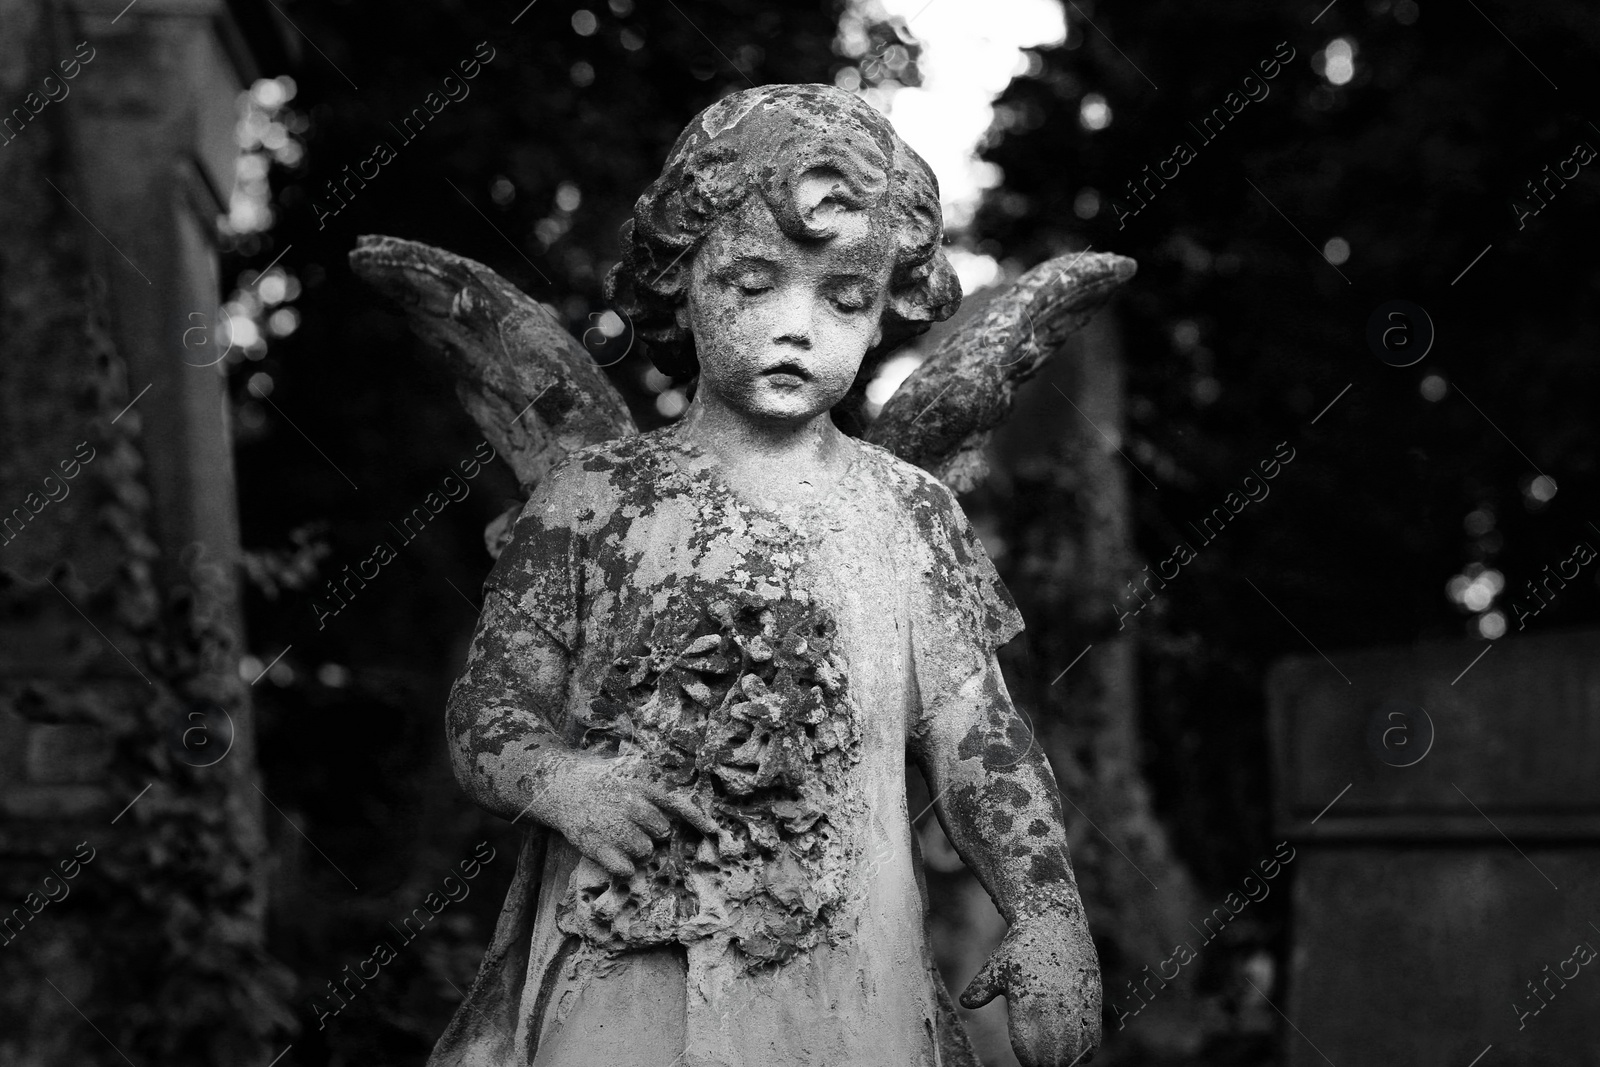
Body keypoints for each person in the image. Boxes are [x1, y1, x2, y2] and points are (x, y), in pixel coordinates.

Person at [437, 83, 1100, 1067]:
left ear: (885, 308)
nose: (797, 327)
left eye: (843, 296)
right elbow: (487, 709)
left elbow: (979, 747)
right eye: (753, 283)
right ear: (681, 276)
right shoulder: (592, 498)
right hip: (626, 966)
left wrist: (1048, 912)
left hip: (843, 977)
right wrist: (559, 780)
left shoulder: (906, 514)